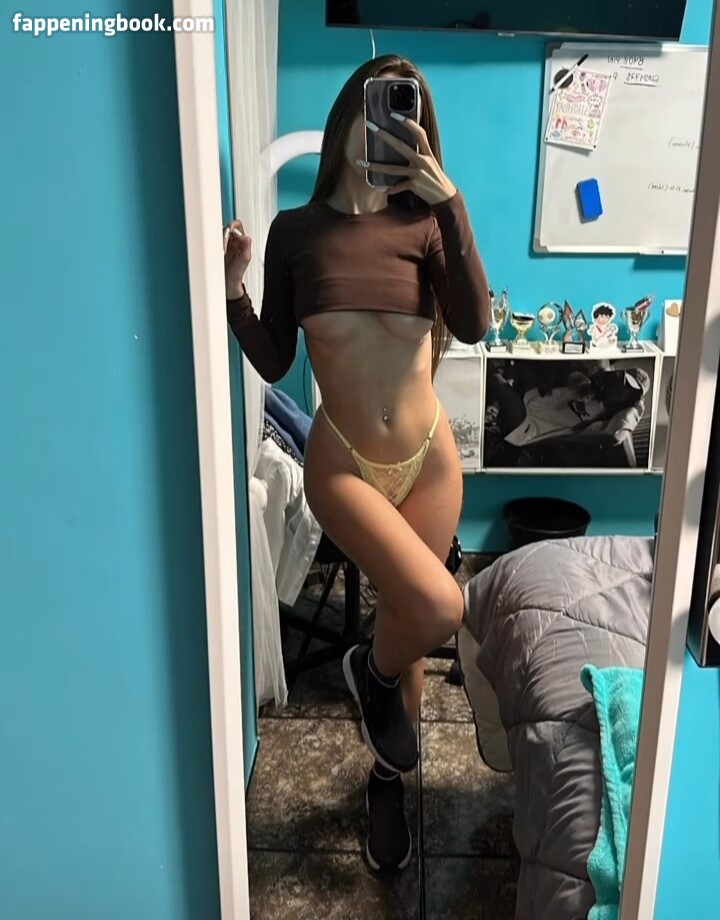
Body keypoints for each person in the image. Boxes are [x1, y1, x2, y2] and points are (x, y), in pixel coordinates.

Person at [223, 54, 489, 873]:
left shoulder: (425, 224)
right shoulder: (295, 233)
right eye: (381, 111)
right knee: (438, 605)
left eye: (408, 117)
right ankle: (367, 674)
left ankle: (385, 779)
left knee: (407, 620)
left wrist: (450, 202)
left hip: (429, 457)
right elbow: (275, 359)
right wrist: (233, 291)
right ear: (349, 117)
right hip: (342, 460)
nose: (391, 129)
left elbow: (475, 323)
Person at [486, 362, 650, 464]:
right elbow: (567, 369)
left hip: (528, 427)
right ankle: (495, 407)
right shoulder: (585, 386)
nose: (620, 386)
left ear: (631, 399)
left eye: (628, 388)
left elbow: (617, 435)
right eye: (622, 380)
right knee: (518, 366)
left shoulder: (607, 421)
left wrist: (638, 405)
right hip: (527, 401)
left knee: (496, 380)